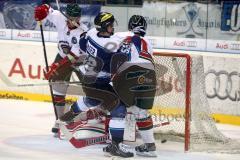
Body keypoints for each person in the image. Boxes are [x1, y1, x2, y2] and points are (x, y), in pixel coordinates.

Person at [34, 3, 88, 136]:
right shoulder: (59, 17)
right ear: (67, 16)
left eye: (77, 18)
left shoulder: (83, 32)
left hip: (81, 60)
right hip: (62, 56)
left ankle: (99, 114)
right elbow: (47, 9)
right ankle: (60, 120)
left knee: (91, 88)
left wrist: (54, 67)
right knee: (58, 87)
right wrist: (41, 11)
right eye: (72, 18)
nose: (75, 21)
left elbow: (73, 56)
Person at [110, 15, 157, 157]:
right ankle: (150, 147)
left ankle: (115, 145)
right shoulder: (149, 42)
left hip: (131, 74)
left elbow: (109, 48)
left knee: (117, 106)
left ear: (130, 27)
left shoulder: (121, 36)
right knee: (141, 112)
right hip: (150, 75)